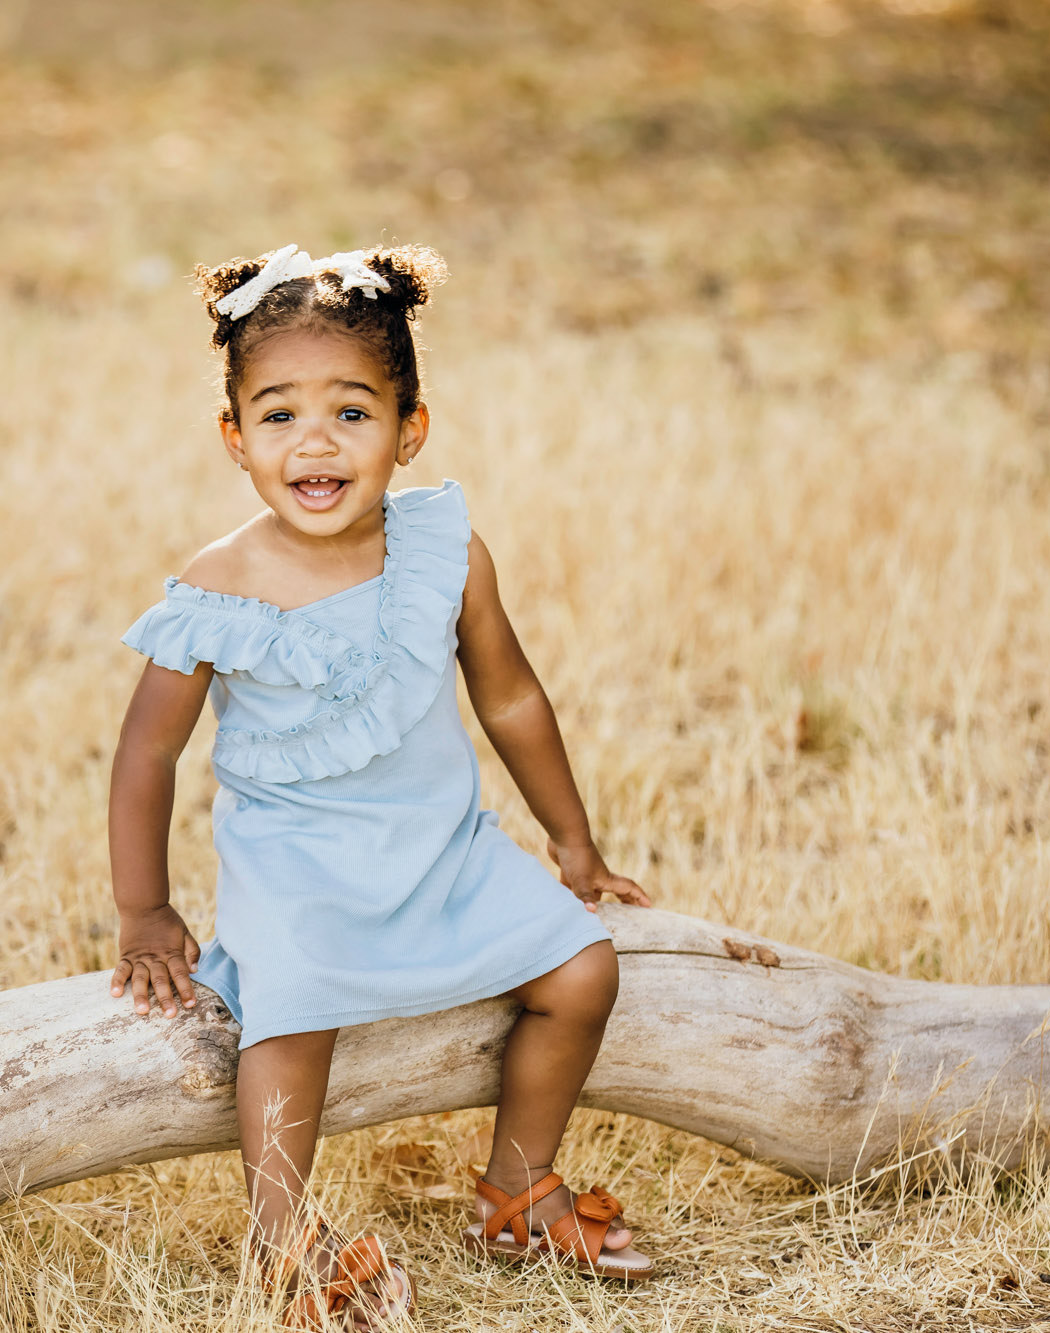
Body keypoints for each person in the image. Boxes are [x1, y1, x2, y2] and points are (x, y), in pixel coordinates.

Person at [106, 242, 657, 1328]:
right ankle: (284, 1244)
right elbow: (144, 754)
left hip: (440, 850)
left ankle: (515, 1186)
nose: (315, 440)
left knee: (583, 972)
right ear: (234, 438)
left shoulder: (443, 553)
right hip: (297, 866)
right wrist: (143, 908)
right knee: (290, 1008)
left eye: (352, 412)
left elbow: (509, 702)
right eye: (277, 415)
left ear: (409, 428)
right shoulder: (220, 587)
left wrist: (572, 844)